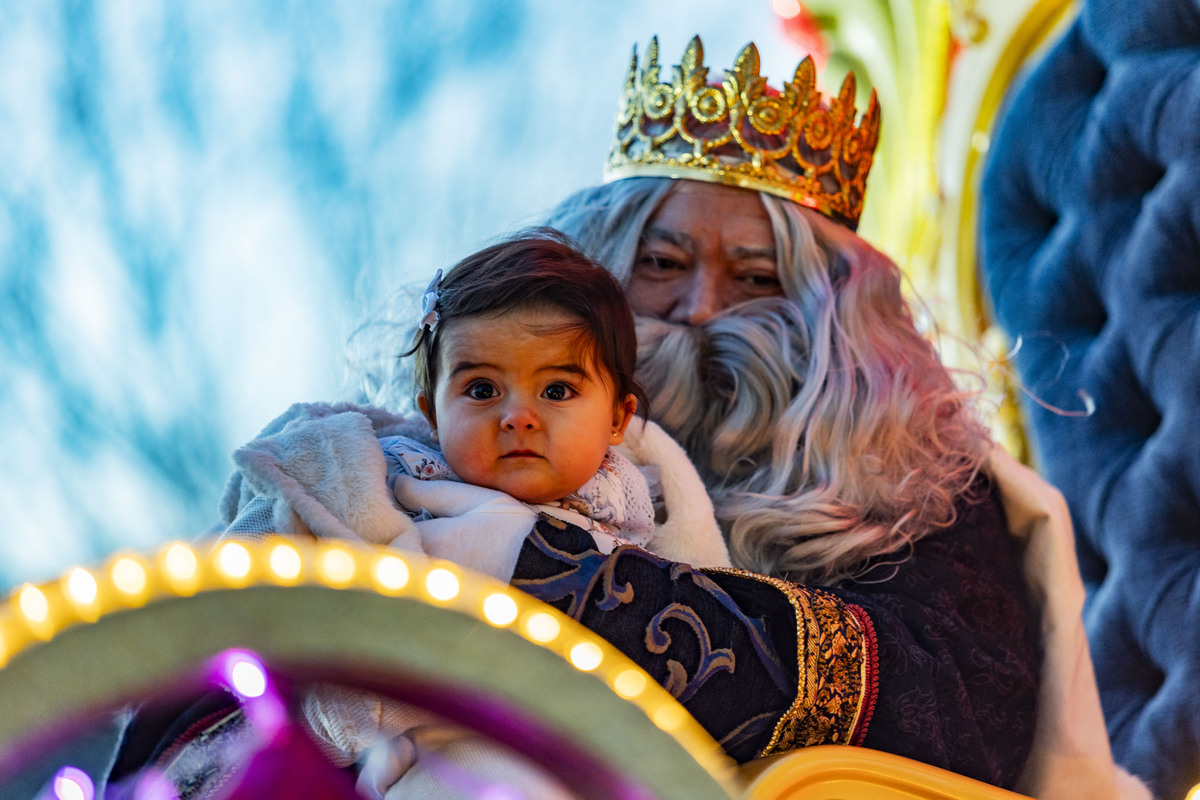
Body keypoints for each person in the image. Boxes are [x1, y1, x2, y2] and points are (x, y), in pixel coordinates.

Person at [109, 34, 1138, 800]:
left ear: (835, 320)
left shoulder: (919, 487)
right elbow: (216, 671)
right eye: (660, 264)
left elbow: (956, 702)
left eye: (756, 276)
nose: (698, 311)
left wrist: (532, 567)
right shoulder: (437, 450)